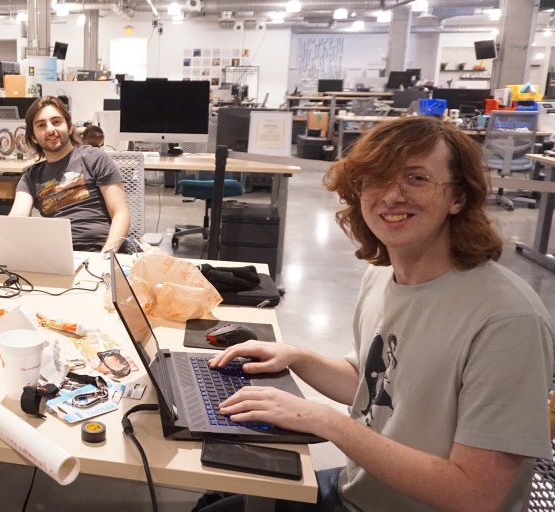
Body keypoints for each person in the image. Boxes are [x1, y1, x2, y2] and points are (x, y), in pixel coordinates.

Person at [198, 116, 553, 512]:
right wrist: (295, 357)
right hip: (359, 490)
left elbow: (476, 496)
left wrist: (327, 421)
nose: (392, 195)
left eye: (416, 178)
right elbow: (377, 385)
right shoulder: (382, 276)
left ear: (458, 197)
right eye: (376, 178)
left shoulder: (507, 320)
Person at [9, 96, 129, 253]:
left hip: (102, 250)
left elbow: (120, 213)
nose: (50, 129)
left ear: (70, 127)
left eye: (56, 121)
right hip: (59, 254)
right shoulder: (31, 177)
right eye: (41, 125)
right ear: (33, 137)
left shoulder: (94, 158)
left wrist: (106, 256)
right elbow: (17, 218)